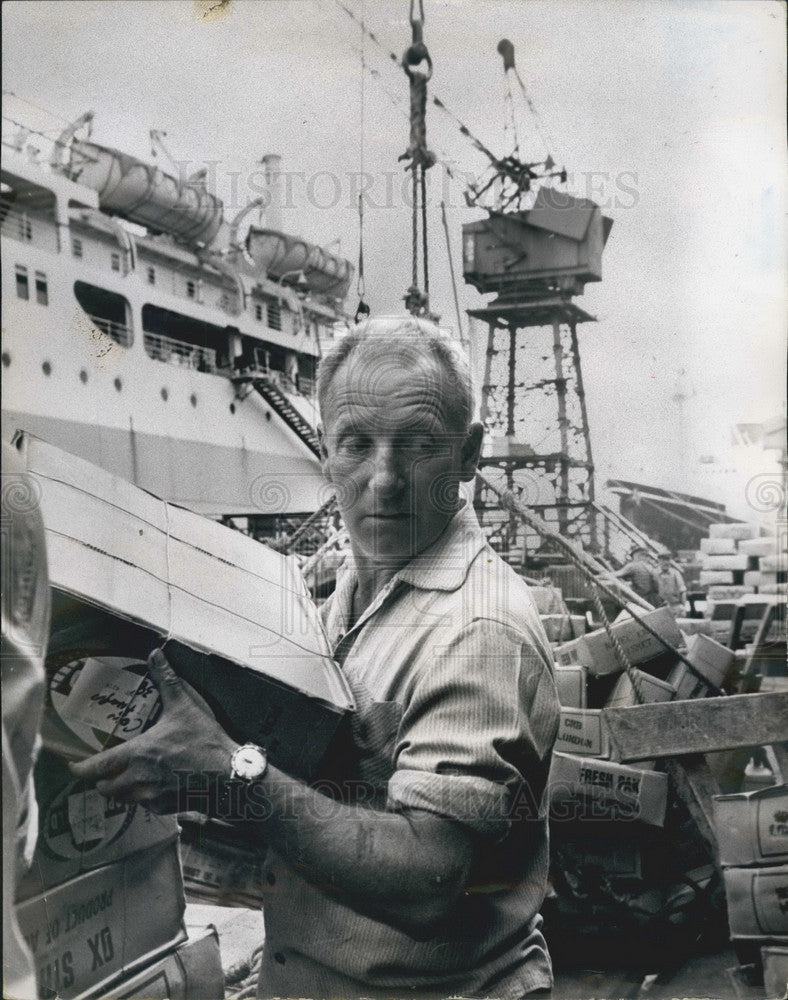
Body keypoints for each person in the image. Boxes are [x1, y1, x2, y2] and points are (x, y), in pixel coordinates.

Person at [72, 315, 560, 1000]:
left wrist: (232, 770)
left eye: (418, 445)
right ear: (326, 449)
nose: (383, 479)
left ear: (470, 454)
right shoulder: (337, 595)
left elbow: (431, 881)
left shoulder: (477, 628)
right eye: (356, 443)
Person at [655, 551, 687, 617]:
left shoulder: (675, 573)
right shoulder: (654, 573)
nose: (666, 562)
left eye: (668, 560)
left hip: (674, 606)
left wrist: (683, 606)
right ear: (659, 561)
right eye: (663, 560)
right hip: (659, 607)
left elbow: (682, 590)